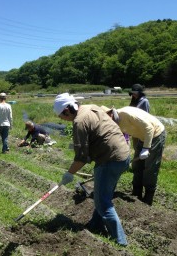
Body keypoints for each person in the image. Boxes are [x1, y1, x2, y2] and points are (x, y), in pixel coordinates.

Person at [54, 93, 130, 246]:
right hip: (123, 154)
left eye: (62, 116)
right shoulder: (91, 107)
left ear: (67, 111)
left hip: (109, 160)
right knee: (103, 194)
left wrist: (69, 173)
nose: (62, 120)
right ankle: (96, 225)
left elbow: (81, 157)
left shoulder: (79, 122)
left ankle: (121, 242)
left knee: (103, 202)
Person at [101, 106, 166, 206]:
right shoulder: (114, 122)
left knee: (150, 167)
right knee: (137, 165)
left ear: (110, 113)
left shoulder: (126, 114)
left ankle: (148, 198)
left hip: (155, 134)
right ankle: (136, 194)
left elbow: (149, 128)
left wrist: (146, 148)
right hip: (141, 137)